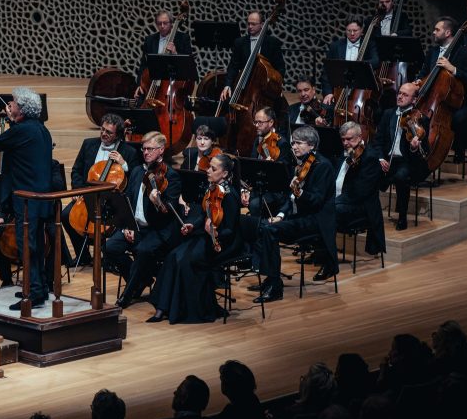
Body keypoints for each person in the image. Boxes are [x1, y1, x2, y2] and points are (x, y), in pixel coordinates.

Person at [0, 87, 53, 310]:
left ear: (22, 109)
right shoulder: (39, 129)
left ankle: (34, 294)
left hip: (26, 200)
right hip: (40, 198)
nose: (8, 106)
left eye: (13, 104)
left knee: (26, 246)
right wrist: (12, 121)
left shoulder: (22, 131)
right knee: (35, 245)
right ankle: (38, 287)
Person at [148, 153, 241, 323]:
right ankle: (162, 308)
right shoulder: (211, 188)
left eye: (213, 168)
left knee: (186, 261)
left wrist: (215, 233)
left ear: (225, 174)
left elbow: (231, 229)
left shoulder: (230, 195)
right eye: (208, 166)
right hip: (206, 237)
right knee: (173, 256)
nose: (208, 170)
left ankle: (191, 310)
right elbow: (205, 214)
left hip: (223, 243)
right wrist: (194, 225)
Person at [252, 126, 337, 304]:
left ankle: (275, 286)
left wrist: (300, 194)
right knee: (260, 226)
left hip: (315, 220)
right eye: (293, 143)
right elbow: (288, 198)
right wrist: (281, 215)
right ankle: (269, 278)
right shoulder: (297, 164)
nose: (294, 147)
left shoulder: (323, 166)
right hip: (297, 217)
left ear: (312, 145)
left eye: (298, 143)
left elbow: (317, 201)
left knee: (270, 231)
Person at [104, 131, 181, 309]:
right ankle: (143, 279)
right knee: (109, 248)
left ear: (161, 150)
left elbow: (170, 212)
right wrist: (127, 227)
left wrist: (158, 201)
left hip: (157, 229)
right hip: (135, 226)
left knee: (142, 250)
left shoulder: (171, 176)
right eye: (143, 149)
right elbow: (128, 200)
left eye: (150, 149)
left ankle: (129, 293)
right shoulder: (138, 170)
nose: (145, 152)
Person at [63, 113, 140, 265]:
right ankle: (83, 255)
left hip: (112, 200)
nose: (104, 134)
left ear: (118, 135)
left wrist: (124, 165)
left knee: (107, 223)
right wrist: (78, 191)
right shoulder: (88, 144)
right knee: (66, 215)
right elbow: (77, 170)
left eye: (109, 132)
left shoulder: (129, 152)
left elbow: (135, 179)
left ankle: (107, 259)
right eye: (102, 130)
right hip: (87, 195)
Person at [416, 16, 467, 162]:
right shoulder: (432, 51)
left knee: (457, 119)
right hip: (434, 100)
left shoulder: (464, 53)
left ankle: (458, 151)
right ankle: (423, 153)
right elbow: (424, 72)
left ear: (448, 32)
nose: (433, 32)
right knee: (420, 117)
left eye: (437, 29)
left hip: (458, 102)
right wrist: (418, 80)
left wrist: (453, 69)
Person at [376, 83, 429, 230]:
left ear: (414, 100)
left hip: (408, 161)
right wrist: (380, 159)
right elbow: (378, 141)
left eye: (405, 95)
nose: (400, 96)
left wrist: (413, 147)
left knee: (401, 176)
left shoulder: (421, 119)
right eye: (399, 93)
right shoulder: (388, 114)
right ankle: (369, 214)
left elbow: (425, 150)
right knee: (368, 170)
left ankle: (402, 217)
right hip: (388, 160)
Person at [332, 121, 385, 258]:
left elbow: (360, 192)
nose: (345, 143)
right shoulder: (342, 153)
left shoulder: (370, 158)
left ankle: (327, 256)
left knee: (327, 210)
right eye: (343, 139)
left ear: (360, 137)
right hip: (342, 201)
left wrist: (333, 201)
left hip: (360, 208)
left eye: (349, 139)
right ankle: (319, 251)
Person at [219, 10, 286, 103]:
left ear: (262, 25)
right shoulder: (240, 43)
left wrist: (276, 85)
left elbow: (280, 68)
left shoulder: (273, 43)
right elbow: (233, 67)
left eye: (253, 24)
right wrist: (227, 85)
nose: (250, 27)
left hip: (265, 89)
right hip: (244, 87)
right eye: (248, 23)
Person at [320, 17, 380, 105]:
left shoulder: (369, 44)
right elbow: (326, 72)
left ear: (362, 30)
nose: (352, 33)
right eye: (349, 30)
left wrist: (359, 66)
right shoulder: (335, 46)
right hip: (338, 93)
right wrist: (328, 93)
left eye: (355, 30)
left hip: (360, 93)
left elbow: (376, 61)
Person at [135, 9, 194, 89]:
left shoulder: (183, 39)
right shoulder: (149, 40)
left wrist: (175, 53)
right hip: (151, 85)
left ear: (171, 24)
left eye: (165, 23)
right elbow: (143, 65)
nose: (162, 26)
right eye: (159, 23)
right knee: (140, 100)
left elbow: (189, 65)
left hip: (173, 85)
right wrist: (139, 85)